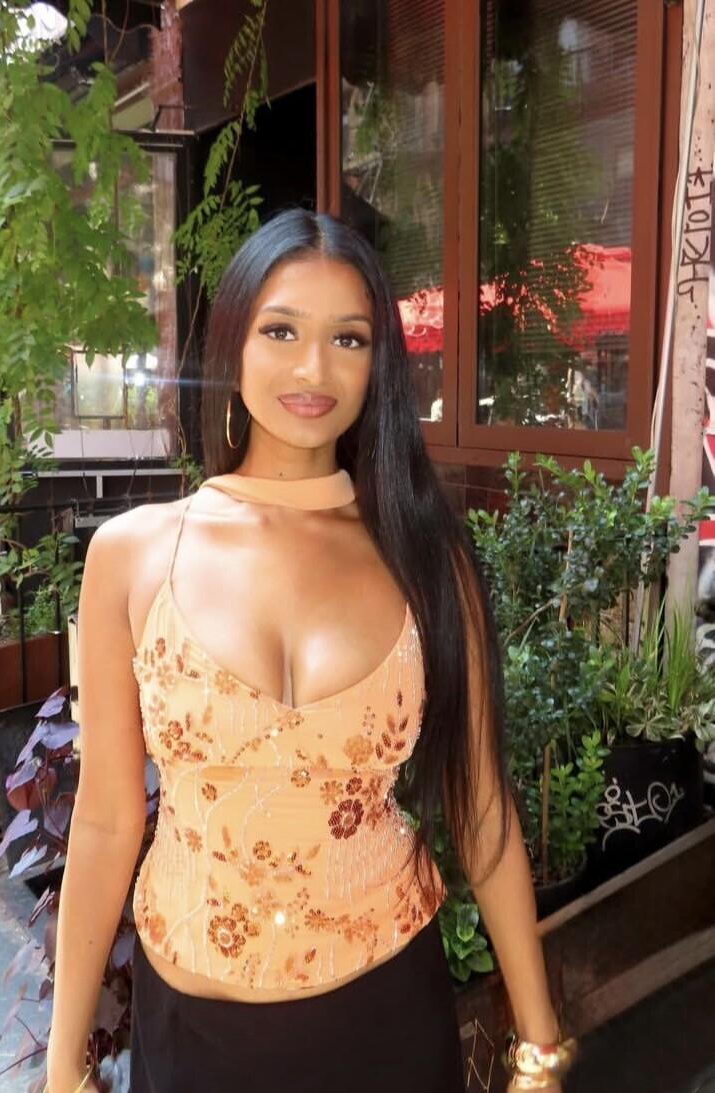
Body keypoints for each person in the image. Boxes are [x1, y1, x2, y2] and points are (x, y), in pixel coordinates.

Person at [45, 209, 575, 1093]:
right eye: (281, 330)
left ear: (379, 364)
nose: (313, 369)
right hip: (194, 1037)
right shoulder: (133, 555)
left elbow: (481, 805)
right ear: (233, 340)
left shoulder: (425, 554)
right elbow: (104, 821)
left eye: (349, 338)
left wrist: (539, 1050)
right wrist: (65, 1063)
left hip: (388, 1020)